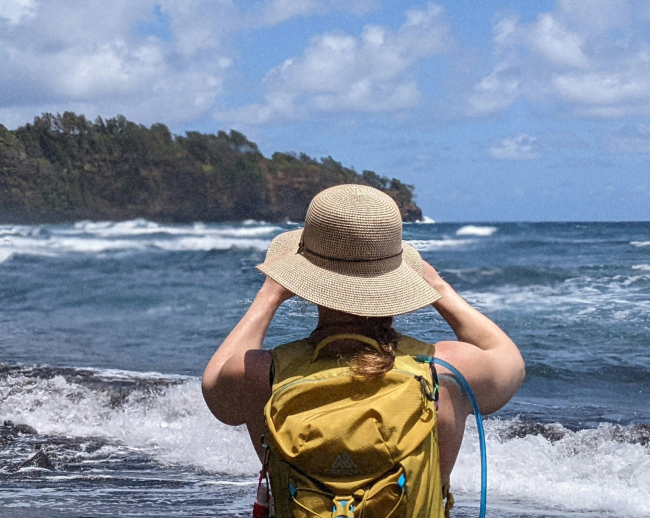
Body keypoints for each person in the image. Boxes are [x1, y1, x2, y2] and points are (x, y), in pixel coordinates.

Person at [202, 184, 524, 517]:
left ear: (302, 278)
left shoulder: (260, 375)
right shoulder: (443, 370)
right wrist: (440, 288)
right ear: (399, 277)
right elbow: (510, 363)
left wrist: (268, 296)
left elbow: (214, 388)